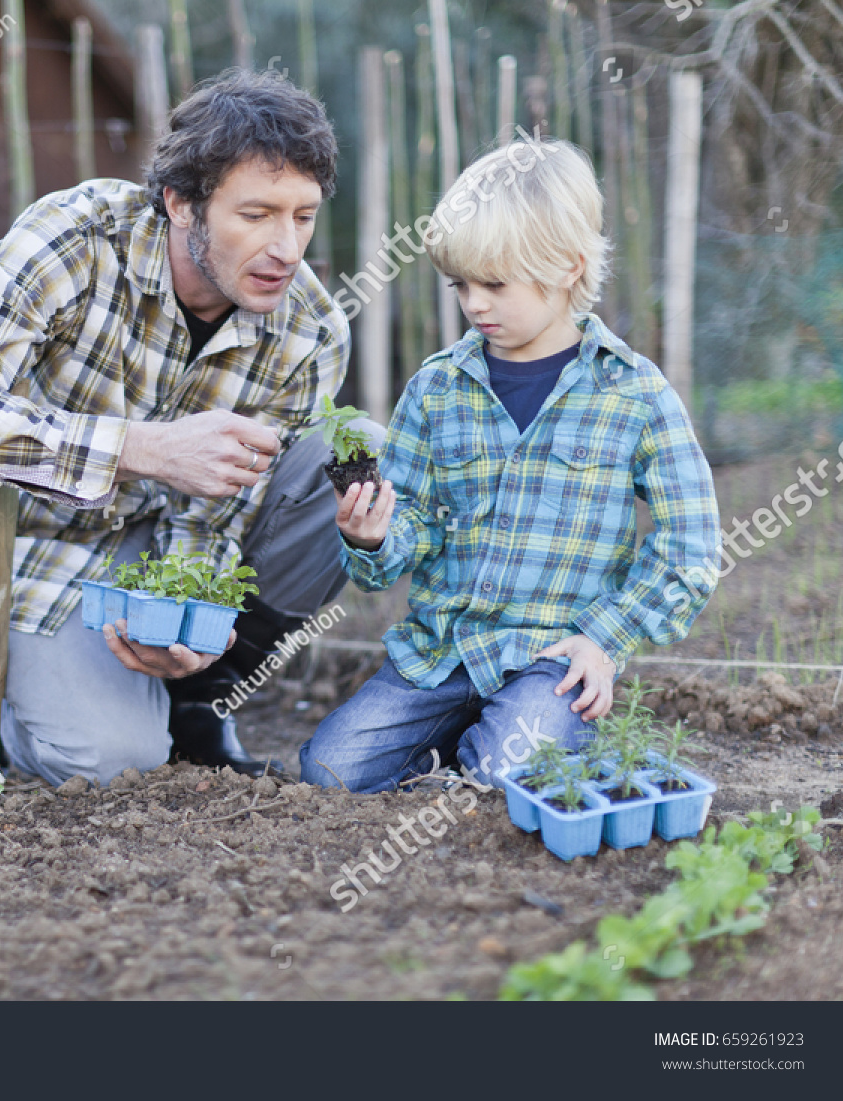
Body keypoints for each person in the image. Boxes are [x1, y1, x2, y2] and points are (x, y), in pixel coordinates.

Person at [0, 69, 379, 785]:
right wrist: (136, 447)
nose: (287, 248)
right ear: (182, 203)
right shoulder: (78, 241)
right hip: (24, 540)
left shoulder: (309, 328)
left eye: (303, 216)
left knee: (355, 449)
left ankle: (197, 700)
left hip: (155, 543)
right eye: (257, 214)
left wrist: (190, 626)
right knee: (114, 762)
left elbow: (217, 515)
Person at [299, 138, 721, 793]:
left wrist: (604, 640)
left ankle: (512, 741)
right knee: (329, 770)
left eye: (494, 284)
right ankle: (470, 745)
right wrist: (374, 536)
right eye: (460, 284)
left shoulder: (632, 392)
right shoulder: (438, 388)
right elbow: (412, 521)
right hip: (442, 652)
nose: (474, 303)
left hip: (556, 659)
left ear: (569, 269)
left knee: (512, 770)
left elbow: (690, 543)